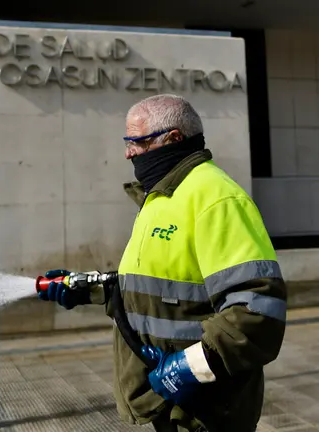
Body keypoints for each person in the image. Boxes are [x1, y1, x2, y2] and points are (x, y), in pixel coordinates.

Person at [38, 94, 287, 432]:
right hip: (168, 405)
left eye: (136, 142)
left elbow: (258, 313)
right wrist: (90, 288)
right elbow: (159, 284)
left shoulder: (217, 199)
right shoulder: (160, 197)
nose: (128, 152)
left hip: (205, 411)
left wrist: (188, 367)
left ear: (173, 139)